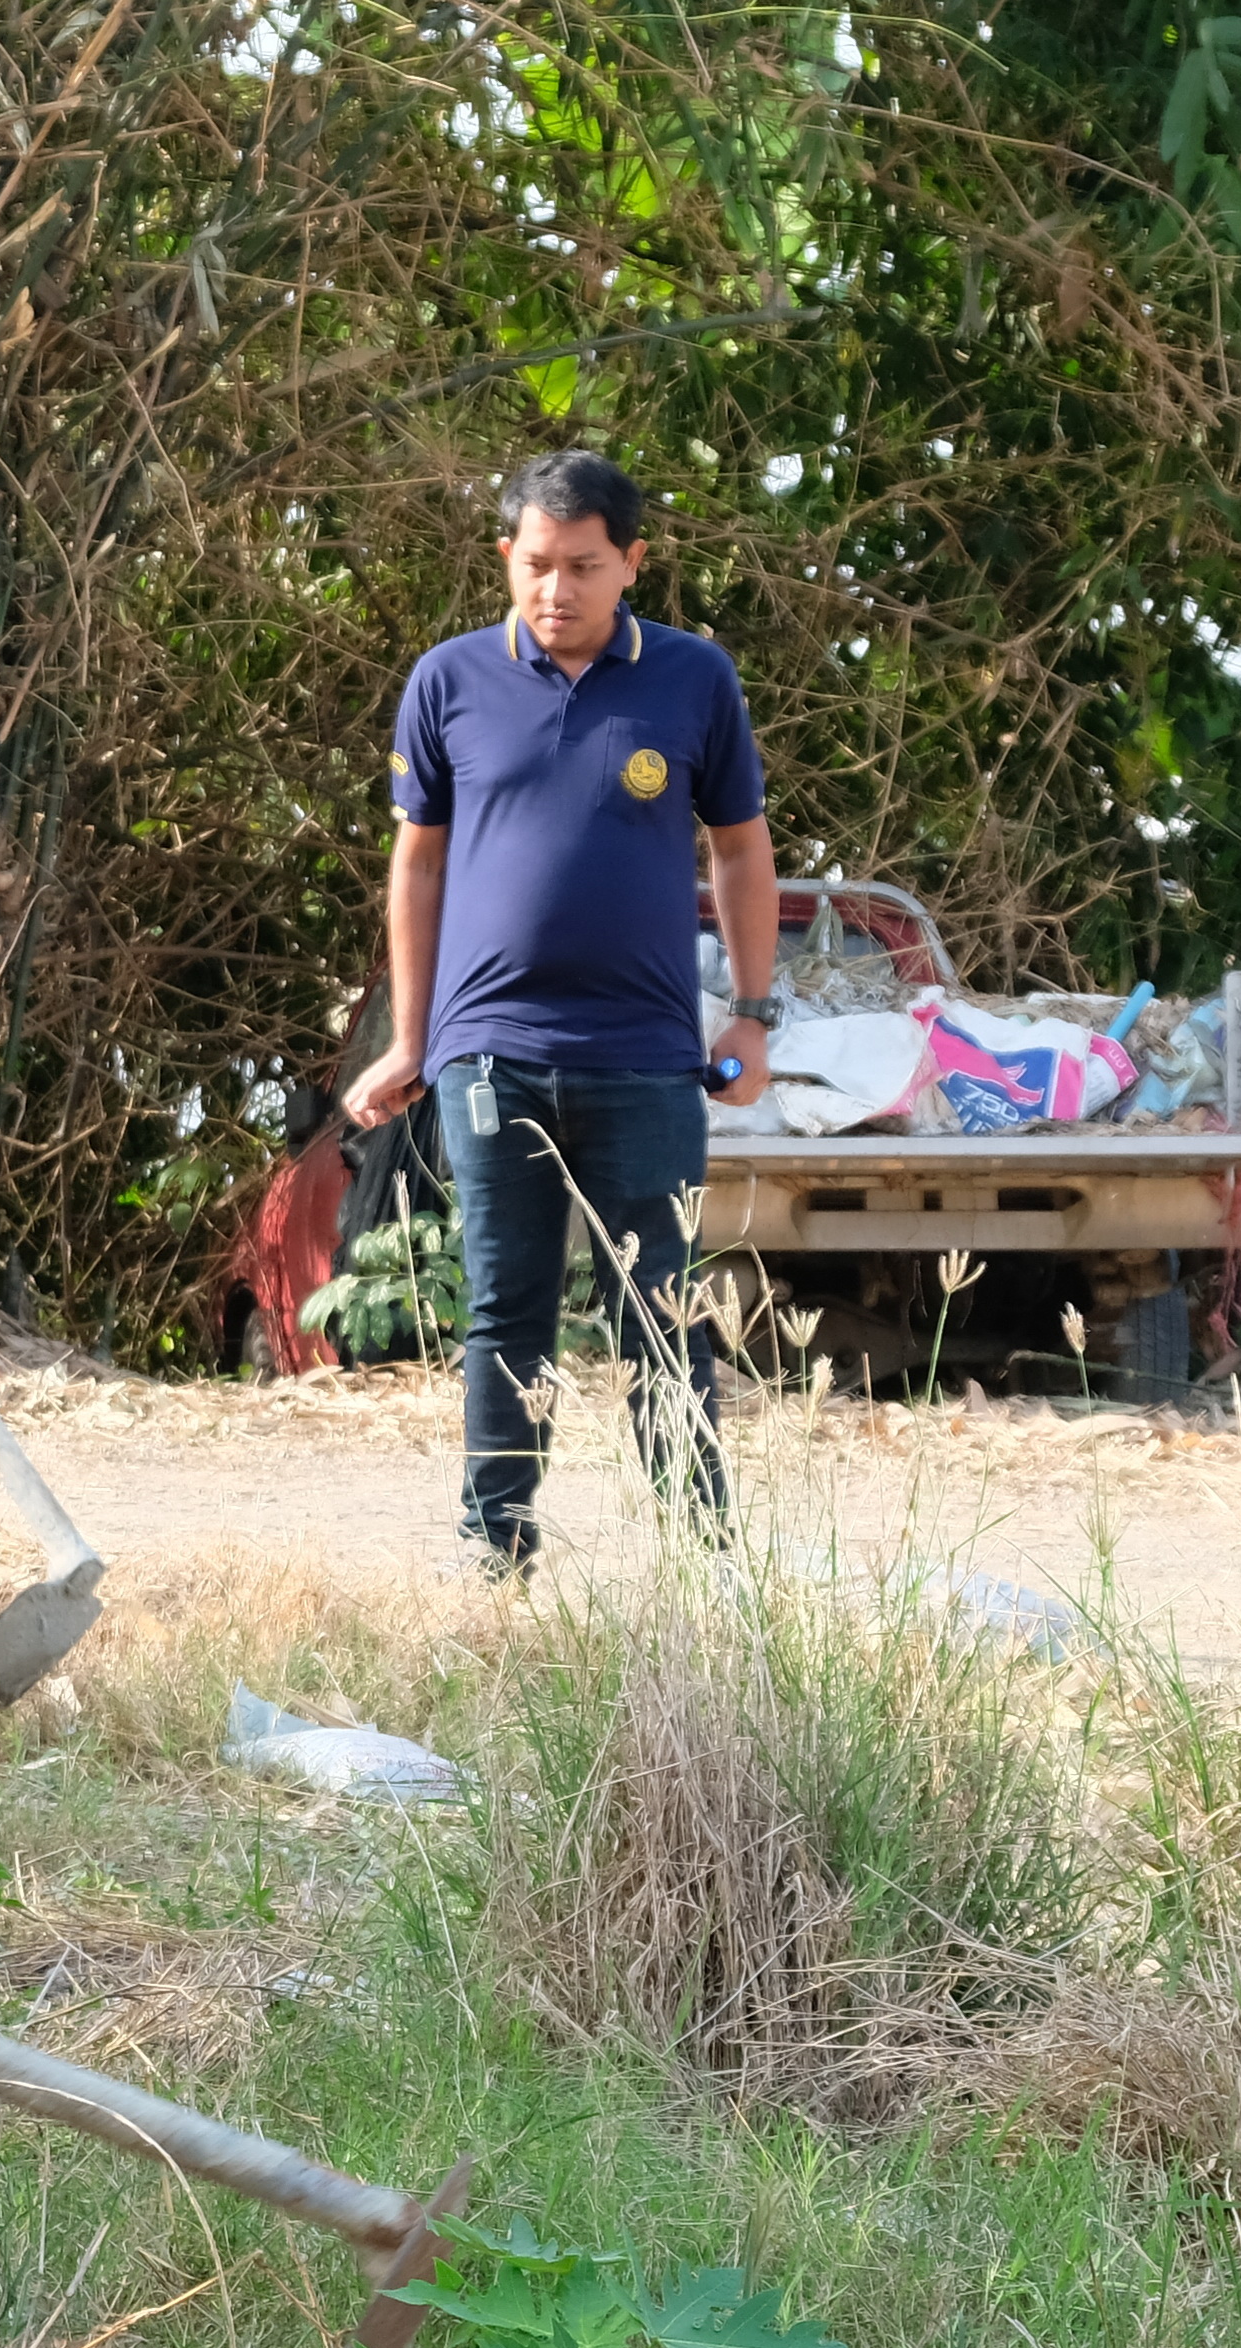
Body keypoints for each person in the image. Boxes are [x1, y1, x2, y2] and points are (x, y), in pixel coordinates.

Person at [347, 450, 777, 1573]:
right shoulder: (447, 682)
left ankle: (703, 1560)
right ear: (506, 558)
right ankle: (498, 1557)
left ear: (633, 563)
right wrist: (413, 1036)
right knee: (507, 1313)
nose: (556, 592)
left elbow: (740, 851)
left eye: (583, 567)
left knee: (662, 1315)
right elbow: (419, 868)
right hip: (491, 1056)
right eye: (536, 565)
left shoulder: (693, 681)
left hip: (644, 1059)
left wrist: (753, 1013)